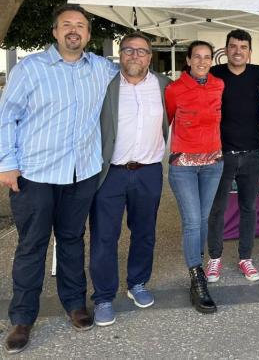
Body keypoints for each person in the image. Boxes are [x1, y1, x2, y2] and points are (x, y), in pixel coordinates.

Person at [0, 4, 118, 354]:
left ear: (88, 34)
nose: (73, 30)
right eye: (67, 24)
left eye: (80, 25)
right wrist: (7, 164)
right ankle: (23, 317)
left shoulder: (100, 68)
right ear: (54, 31)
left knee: (71, 240)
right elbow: (6, 117)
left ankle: (74, 304)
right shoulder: (30, 69)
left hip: (81, 172)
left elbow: (135, 69)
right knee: (32, 245)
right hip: (35, 174)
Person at [89, 32, 170, 326]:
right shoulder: (106, 84)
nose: (135, 55)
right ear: (120, 54)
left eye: (142, 51)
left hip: (148, 171)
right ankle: (103, 296)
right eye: (129, 50)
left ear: (150, 56)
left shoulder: (164, 86)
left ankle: (137, 282)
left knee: (145, 232)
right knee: (104, 235)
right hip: (111, 172)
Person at [165, 41, 224, 314]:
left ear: (212, 60)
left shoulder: (219, 85)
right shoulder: (174, 89)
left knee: (202, 219)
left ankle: (196, 265)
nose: (202, 61)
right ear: (188, 60)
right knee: (191, 221)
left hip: (213, 164)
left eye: (207, 57)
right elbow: (166, 120)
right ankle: (197, 277)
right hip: (184, 166)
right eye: (197, 57)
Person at [206, 30, 259, 283]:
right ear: (226, 49)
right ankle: (214, 258)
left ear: (249, 52)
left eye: (243, 47)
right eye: (233, 46)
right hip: (221, 155)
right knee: (217, 209)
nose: (238, 51)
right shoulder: (214, 74)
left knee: (248, 208)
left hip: (252, 154)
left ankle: (245, 258)